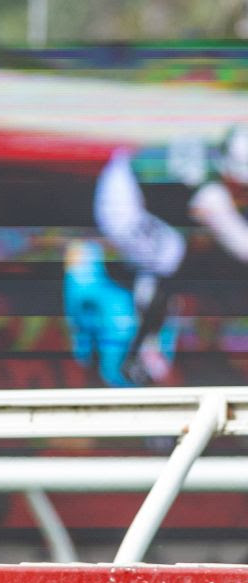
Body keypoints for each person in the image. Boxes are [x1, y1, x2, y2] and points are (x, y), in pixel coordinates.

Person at [66, 124, 248, 387]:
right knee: (170, 255)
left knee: (174, 252)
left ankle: (145, 336)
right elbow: (239, 241)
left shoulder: (215, 152)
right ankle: (141, 348)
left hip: (131, 176)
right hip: (123, 200)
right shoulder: (210, 192)